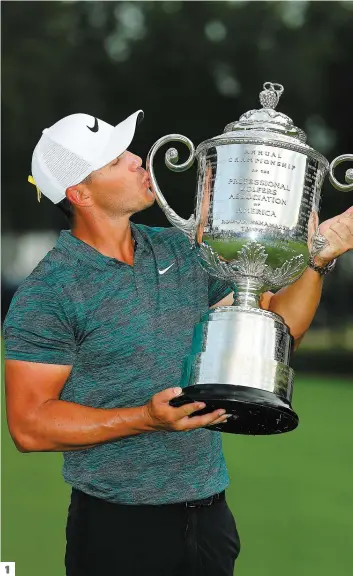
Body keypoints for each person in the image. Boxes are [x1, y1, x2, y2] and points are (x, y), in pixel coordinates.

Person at [3, 110, 353, 576]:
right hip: (117, 532)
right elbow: (29, 425)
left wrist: (317, 258)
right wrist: (145, 420)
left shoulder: (181, 251)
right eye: (114, 161)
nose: (136, 160)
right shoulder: (51, 291)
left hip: (209, 521)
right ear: (79, 194)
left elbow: (277, 328)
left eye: (127, 150)